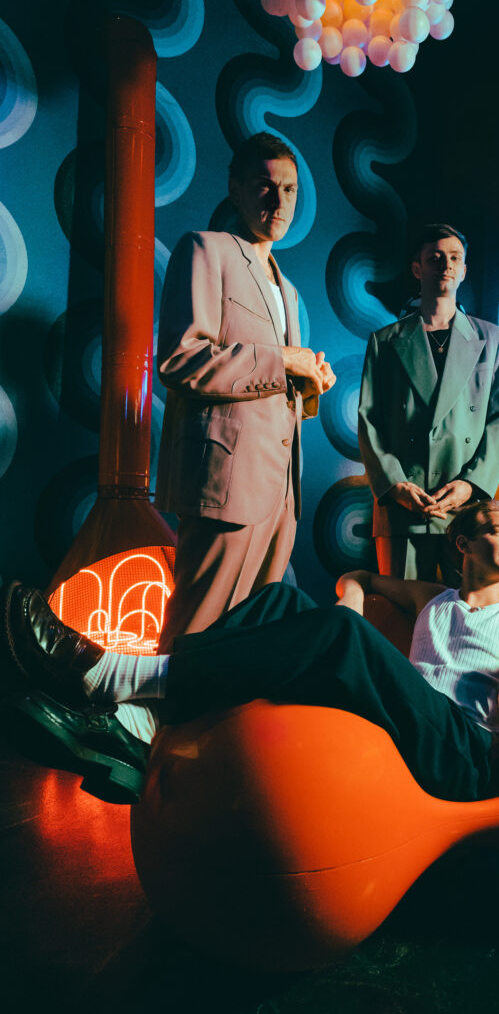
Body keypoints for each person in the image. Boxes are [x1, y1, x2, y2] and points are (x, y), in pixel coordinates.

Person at [0, 500, 499, 811]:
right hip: (403, 728)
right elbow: (355, 578)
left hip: (460, 754)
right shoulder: (432, 597)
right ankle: (146, 729)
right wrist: (353, 605)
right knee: (278, 599)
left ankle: (109, 675)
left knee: (341, 635)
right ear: (461, 545)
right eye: (496, 531)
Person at [155, 132, 335, 650]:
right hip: (226, 481)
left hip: (281, 493)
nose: (279, 200)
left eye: (289, 189)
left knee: (247, 643)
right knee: (193, 633)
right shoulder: (204, 249)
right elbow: (180, 360)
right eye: (264, 185)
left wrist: (309, 381)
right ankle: (153, 706)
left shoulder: (288, 288)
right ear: (235, 189)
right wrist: (283, 361)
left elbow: (272, 389)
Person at [358, 224, 499, 584]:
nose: (446, 265)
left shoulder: (494, 339)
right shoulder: (385, 341)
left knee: (471, 613)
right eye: (435, 258)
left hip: (467, 506)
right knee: (403, 614)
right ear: (417, 269)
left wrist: (471, 484)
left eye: (455, 258)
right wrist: (395, 484)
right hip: (403, 504)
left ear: (464, 270)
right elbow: (369, 419)